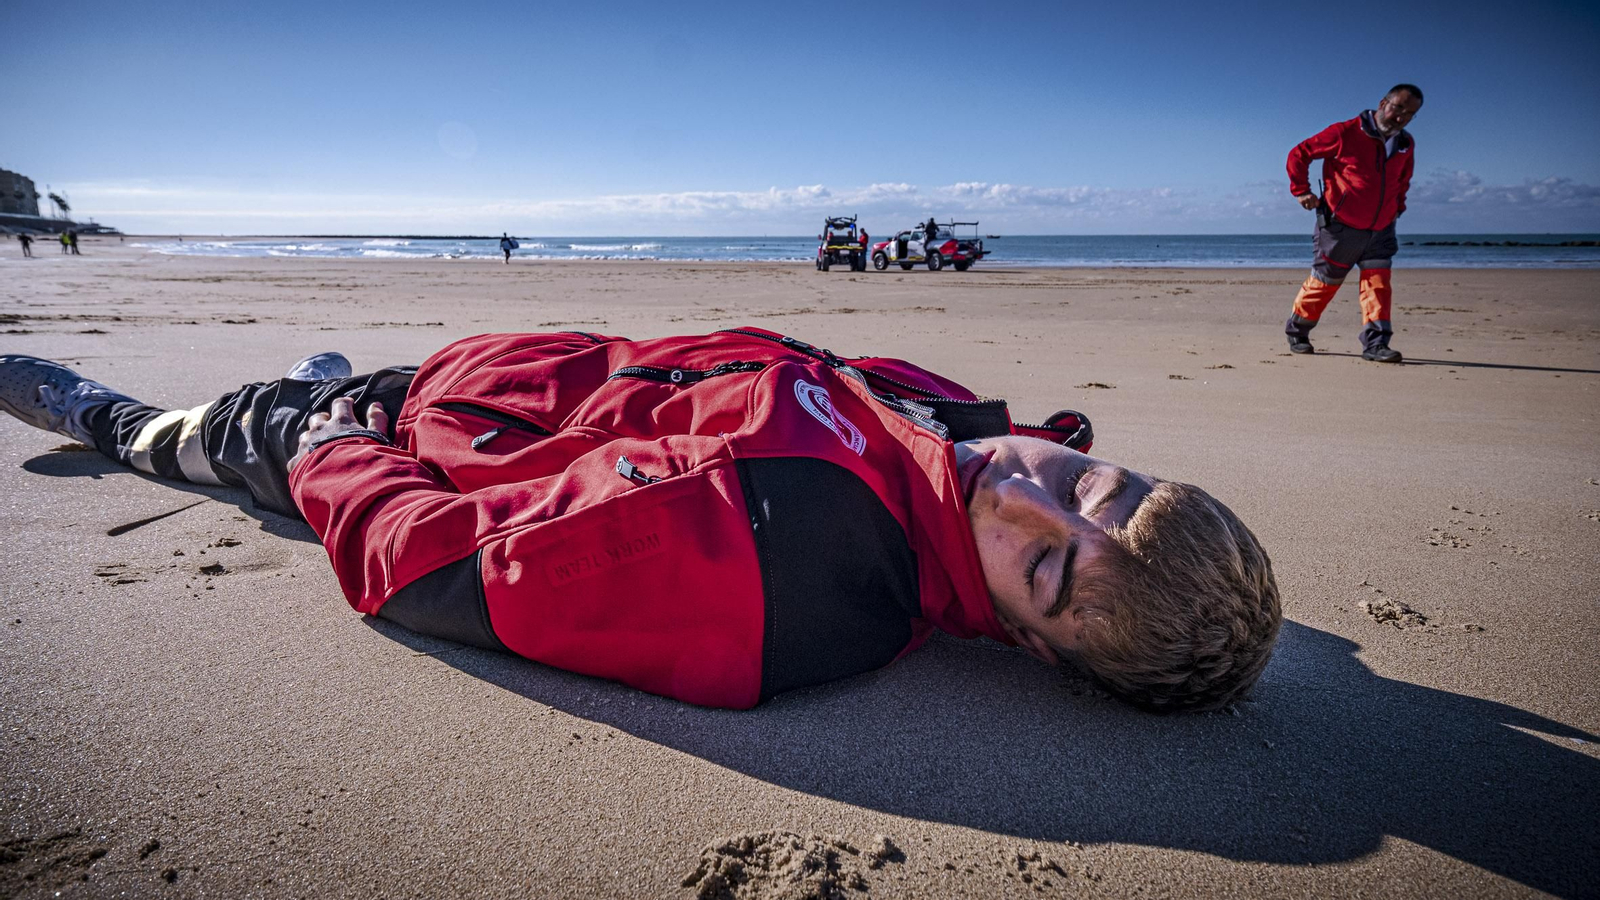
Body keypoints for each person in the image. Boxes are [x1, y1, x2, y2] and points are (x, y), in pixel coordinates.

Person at [0, 327, 1281, 711]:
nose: (1025, 489)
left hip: (403, 445)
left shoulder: (789, 570)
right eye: (1087, 486)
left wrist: (338, 450)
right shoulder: (965, 435)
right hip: (492, 375)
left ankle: (123, 422)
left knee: (232, 432)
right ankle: (330, 384)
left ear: (1034, 645)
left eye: (1046, 566)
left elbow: (429, 570)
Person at [1284, 84, 1423, 363]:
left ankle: (1376, 344)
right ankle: (1298, 331)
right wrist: (1301, 190)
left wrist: (1398, 208)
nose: (1401, 117)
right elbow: (1299, 153)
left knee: (1377, 285)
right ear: (1383, 102)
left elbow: (1403, 179)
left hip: (1382, 228)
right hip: (1340, 225)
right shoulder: (1345, 132)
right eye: (1398, 108)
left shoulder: (1405, 143)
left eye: (1410, 114)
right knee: (1325, 283)